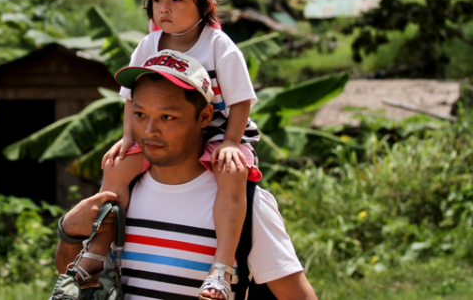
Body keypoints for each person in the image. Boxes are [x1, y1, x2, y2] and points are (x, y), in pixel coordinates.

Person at [55, 49, 316, 299]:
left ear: (204, 117)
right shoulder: (121, 194)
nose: (149, 131)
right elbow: (80, 282)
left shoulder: (246, 205)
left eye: (167, 117)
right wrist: (69, 234)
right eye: (140, 115)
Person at [88, 0, 260, 299]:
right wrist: (126, 138)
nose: (163, 8)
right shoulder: (148, 44)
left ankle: (222, 267)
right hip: (161, 136)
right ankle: (99, 250)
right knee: (116, 167)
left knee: (232, 175)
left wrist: (230, 143)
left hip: (217, 133)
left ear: (204, 4)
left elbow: (241, 101)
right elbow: (130, 98)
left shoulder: (220, 46)